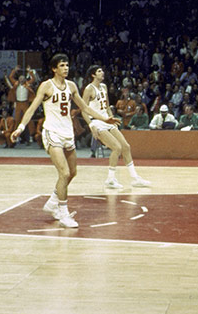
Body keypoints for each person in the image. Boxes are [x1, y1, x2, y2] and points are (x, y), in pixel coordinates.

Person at [10, 54, 119, 228]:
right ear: (54, 68)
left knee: (73, 172)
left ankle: (53, 201)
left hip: (67, 132)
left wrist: (105, 119)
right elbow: (31, 109)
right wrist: (20, 128)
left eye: (67, 65)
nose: (66, 68)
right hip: (52, 132)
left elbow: (84, 107)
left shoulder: (71, 86)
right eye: (62, 65)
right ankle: (63, 213)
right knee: (64, 173)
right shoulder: (46, 86)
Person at [82, 65, 150, 190]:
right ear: (93, 75)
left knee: (126, 147)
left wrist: (111, 118)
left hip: (107, 120)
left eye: (102, 70)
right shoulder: (89, 89)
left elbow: (107, 106)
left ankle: (135, 178)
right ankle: (110, 179)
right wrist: (91, 126)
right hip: (97, 122)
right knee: (116, 148)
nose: (102, 72)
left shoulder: (104, 87)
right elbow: (83, 110)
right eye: (99, 71)